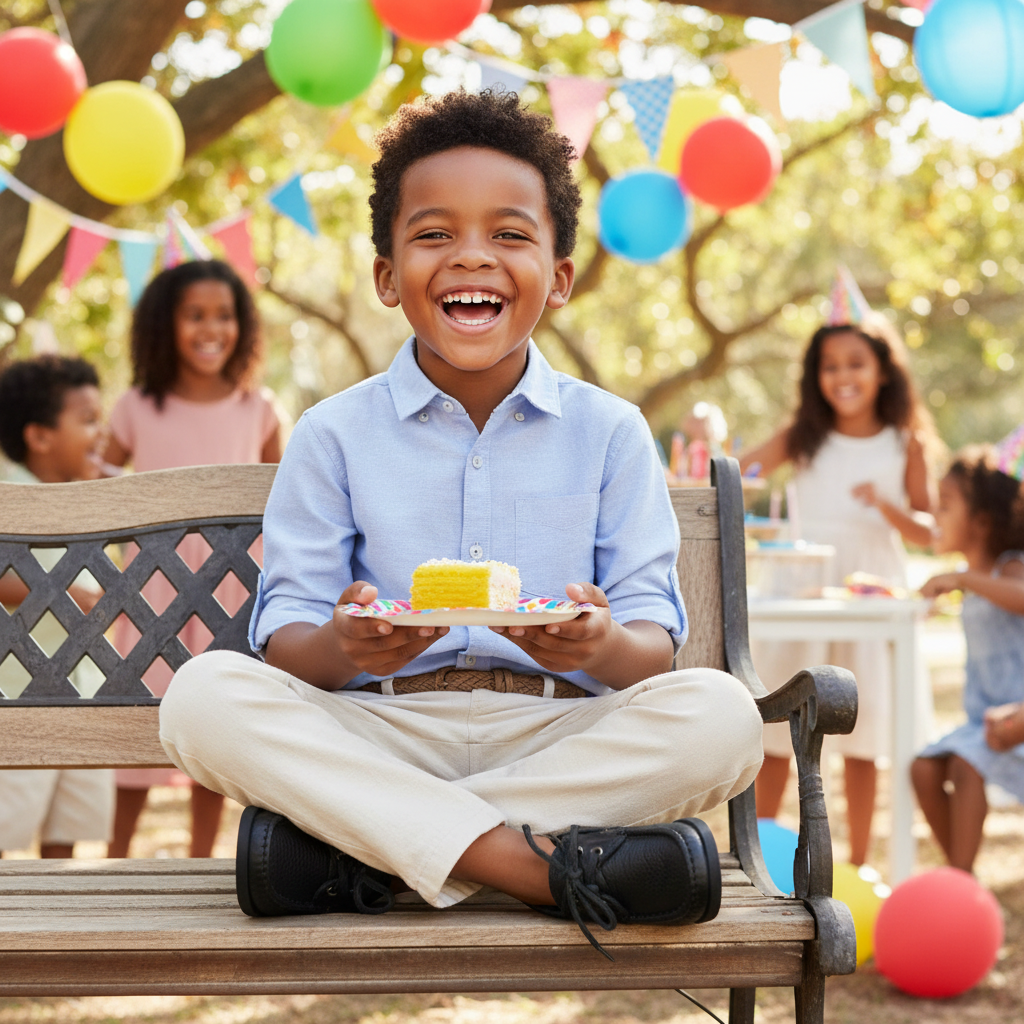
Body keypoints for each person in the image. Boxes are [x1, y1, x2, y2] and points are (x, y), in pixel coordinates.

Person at [156, 90, 763, 952]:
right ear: (386, 274)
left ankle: (368, 855)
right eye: (434, 234)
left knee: (724, 717)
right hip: (380, 729)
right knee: (201, 698)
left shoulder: (610, 432)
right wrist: (346, 646)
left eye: (509, 234)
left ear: (558, 278)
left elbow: (653, 645)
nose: (471, 258)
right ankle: (534, 869)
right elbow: (287, 633)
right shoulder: (333, 432)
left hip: (560, 729)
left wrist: (597, 645)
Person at [103, 259, 285, 859]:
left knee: (213, 722)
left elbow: (279, 500)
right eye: (195, 316)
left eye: (225, 316)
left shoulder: (258, 410)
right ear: (165, 325)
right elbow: (96, 488)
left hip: (231, 591)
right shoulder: (134, 408)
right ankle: (116, 859)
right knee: (139, 715)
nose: (212, 329)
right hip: (150, 591)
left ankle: (202, 859)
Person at [739, 316, 936, 866]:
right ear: (814, 376)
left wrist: (888, 506)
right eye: (830, 367)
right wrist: (704, 443)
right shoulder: (805, 435)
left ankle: (858, 867)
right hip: (804, 583)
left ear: (882, 372)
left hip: (869, 586)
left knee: (863, 731)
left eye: (856, 364)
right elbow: (733, 472)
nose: (842, 376)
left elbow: (931, 529)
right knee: (783, 721)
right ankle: (760, 861)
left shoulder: (905, 442)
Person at [0, 355, 114, 858]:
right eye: (88, 420)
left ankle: (58, 911)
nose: (101, 433)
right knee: (9, 818)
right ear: (40, 437)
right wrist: (58, 595)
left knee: (69, 823)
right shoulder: (11, 492)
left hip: (85, 692)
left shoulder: (80, 497)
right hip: (18, 696)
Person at [912, 447, 1024, 873]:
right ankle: (965, 880)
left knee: (965, 764)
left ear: (981, 522)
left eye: (944, 506)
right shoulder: (976, 584)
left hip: (1015, 724)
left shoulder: (1009, 569)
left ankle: (957, 882)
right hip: (984, 724)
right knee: (922, 769)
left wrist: (961, 579)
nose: (934, 516)